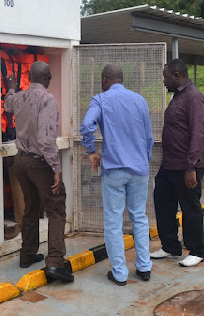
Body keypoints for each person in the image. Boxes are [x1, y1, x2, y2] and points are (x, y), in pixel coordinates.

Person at [80, 64, 154, 286]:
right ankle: (144, 267)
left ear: (104, 79)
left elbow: (86, 125)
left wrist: (92, 151)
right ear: (121, 79)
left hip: (114, 170)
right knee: (139, 218)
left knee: (113, 222)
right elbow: (149, 137)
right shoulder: (140, 100)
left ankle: (120, 274)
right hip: (139, 169)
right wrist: (143, 160)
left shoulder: (100, 99)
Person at [4, 61, 74, 283]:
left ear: (31, 77)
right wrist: (56, 167)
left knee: (31, 207)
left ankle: (27, 254)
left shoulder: (20, 97)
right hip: (39, 162)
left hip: (21, 162)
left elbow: (7, 106)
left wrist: (12, 87)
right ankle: (54, 263)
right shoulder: (47, 99)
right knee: (55, 208)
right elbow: (45, 139)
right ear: (49, 78)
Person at [151, 58, 204, 267]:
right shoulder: (178, 97)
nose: (164, 81)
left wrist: (191, 166)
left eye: (165, 77)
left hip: (187, 165)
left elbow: (199, 134)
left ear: (176, 75)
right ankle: (170, 246)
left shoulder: (193, 97)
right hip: (169, 164)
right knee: (163, 202)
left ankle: (197, 250)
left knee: (190, 207)